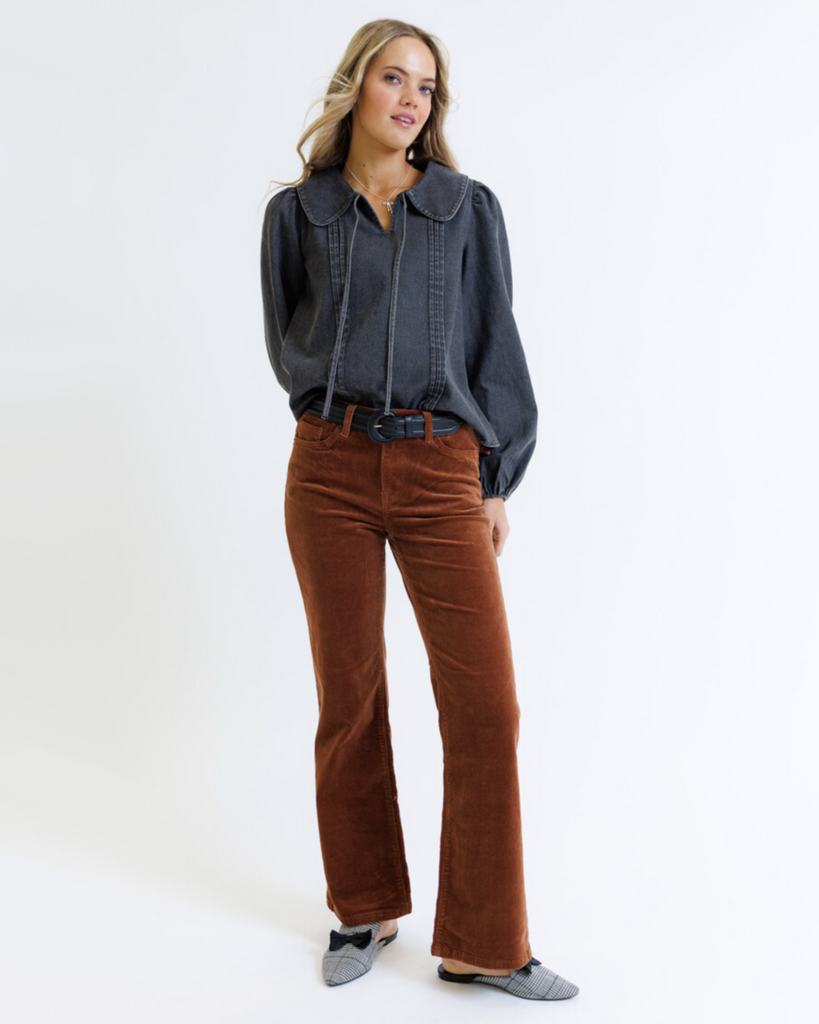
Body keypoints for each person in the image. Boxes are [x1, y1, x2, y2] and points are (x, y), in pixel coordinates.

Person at [260, 18, 579, 1002]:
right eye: (393, 78)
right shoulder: (298, 214)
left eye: (427, 88)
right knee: (349, 699)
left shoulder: (466, 208)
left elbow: (496, 346)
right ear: (354, 87)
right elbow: (286, 340)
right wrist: (337, 417)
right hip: (329, 470)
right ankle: (364, 905)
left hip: (443, 468)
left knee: (486, 706)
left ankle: (484, 938)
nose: (411, 99)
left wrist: (493, 479)